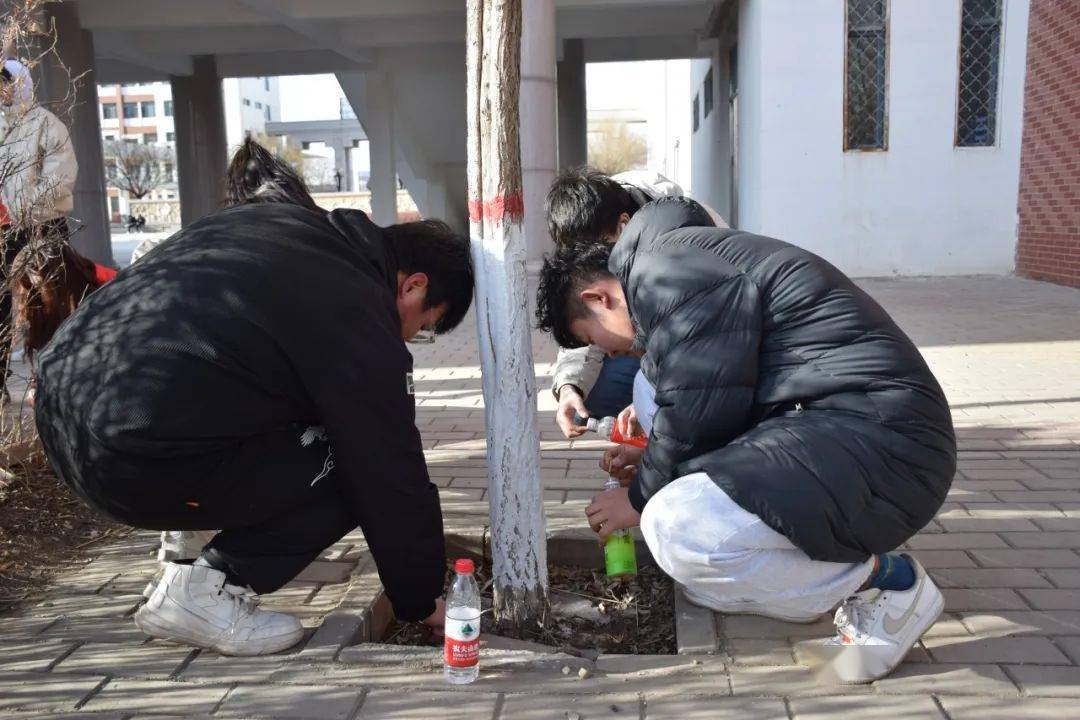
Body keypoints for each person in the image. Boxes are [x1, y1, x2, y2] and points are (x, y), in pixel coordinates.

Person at [33, 140, 473, 656]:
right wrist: (419, 600)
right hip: (127, 460)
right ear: (414, 286)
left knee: (280, 402)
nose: (407, 339)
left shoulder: (280, 230)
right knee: (353, 459)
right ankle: (203, 593)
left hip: (61, 425)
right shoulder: (355, 304)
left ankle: (187, 544)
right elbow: (390, 468)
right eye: (422, 326)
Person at [535, 197, 955, 683]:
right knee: (655, 408)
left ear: (597, 299)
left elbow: (700, 407)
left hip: (888, 448)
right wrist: (653, 460)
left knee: (677, 527)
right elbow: (715, 400)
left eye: (598, 342)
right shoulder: (677, 258)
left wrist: (639, 495)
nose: (614, 351)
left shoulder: (667, 273)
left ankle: (890, 584)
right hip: (858, 432)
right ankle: (803, 575)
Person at [544, 167, 726, 439]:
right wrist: (570, 386)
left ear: (624, 224)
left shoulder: (691, 232)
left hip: (717, 354)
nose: (596, 266)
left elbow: (709, 344)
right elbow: (585, 321)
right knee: (595, 393)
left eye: (601, 253)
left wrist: (653, 399)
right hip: (673, 352)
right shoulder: (591, 228)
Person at [0, 58, 77, 400]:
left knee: (50, 304)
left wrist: (23, 206)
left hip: (42, 225)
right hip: (4, 230)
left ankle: (51, 380)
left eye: (7, 82)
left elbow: (60, 178)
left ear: (21, 84)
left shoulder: (46, 124)